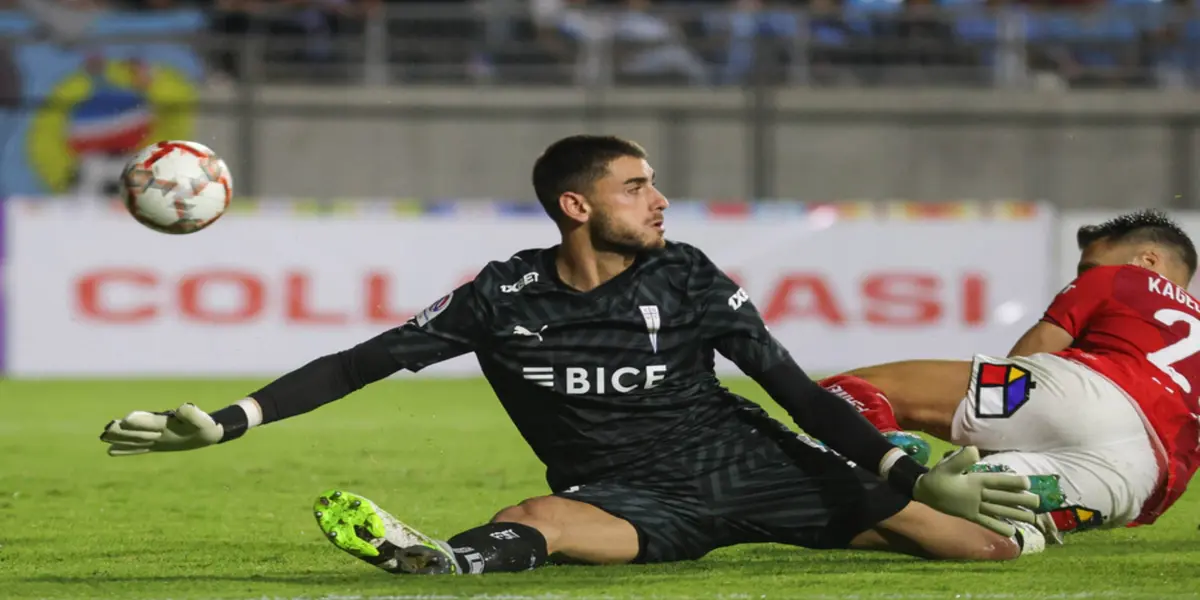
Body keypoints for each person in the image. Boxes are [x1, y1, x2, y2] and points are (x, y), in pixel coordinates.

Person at [99, 135, 1041, 576]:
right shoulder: (503, 297)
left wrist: (897, 475)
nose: (659, 199)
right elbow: (363, 361)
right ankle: (442, 563)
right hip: (625, 493)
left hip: (748, 462)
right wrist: (228, 421)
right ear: (578, 206)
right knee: (533, 518)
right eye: (637, 186)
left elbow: (792, 388)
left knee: (982, 551)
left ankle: (1038, 505)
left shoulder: (689, 277)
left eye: (656, 182)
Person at [819, 210, 1200, 539]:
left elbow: (1035, 352)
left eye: (1088, 268)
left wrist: (986, 432)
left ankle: (888, 451)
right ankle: (1024, 518)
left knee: (854, 388)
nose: (1084, 275)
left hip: (1084, 395)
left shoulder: (1120, 278)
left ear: (1148, 259)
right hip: (1140, 482)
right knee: (960, 516)